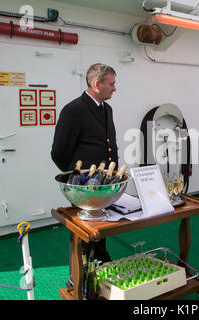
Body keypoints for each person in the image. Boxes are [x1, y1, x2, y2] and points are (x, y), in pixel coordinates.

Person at [51, 63, 118, 286]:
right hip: (84, 186)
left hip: (103, 183)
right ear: (97, 84)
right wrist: (75, 178)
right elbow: (59, 152)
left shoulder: (106, 109)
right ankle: (77, 278)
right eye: (111, 84)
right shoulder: (74, 110)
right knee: (83, 232)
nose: (114, 88)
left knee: (101, 228)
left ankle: (100, 265)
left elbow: (110, 144)